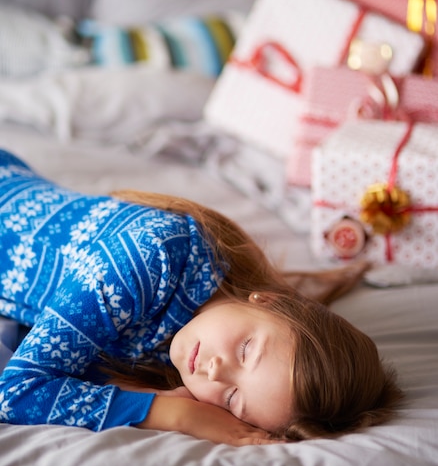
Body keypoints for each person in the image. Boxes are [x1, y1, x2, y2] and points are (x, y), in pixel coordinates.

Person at [0, 149, 403, 446]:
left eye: (231, 398)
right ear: (268, 300)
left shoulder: (186, 337)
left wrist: (153, 395)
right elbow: (16, 393)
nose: (213, 371)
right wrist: (175, 413)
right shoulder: (148, 258)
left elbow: (70, 368)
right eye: (247, 350)